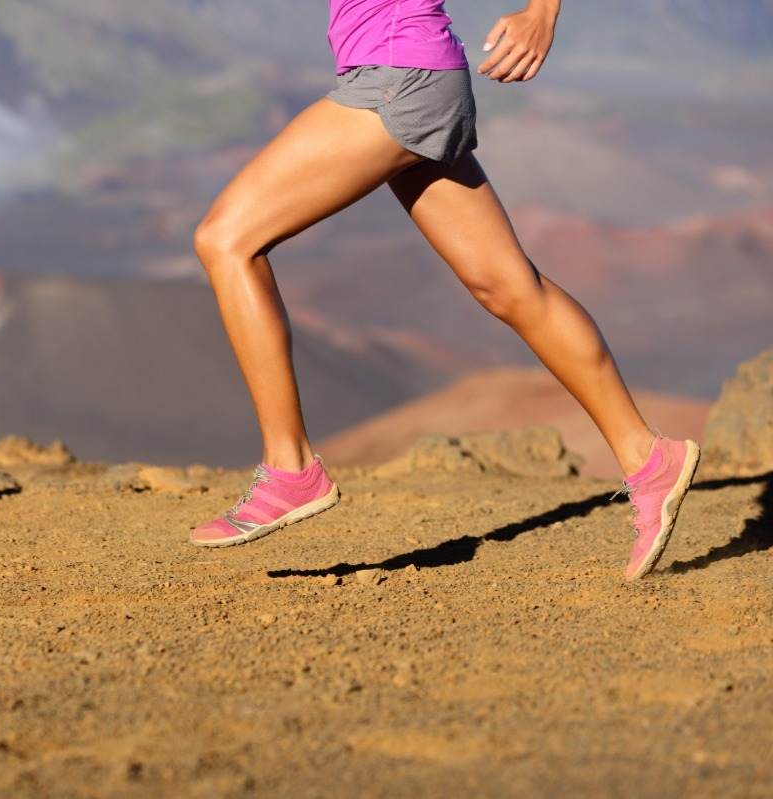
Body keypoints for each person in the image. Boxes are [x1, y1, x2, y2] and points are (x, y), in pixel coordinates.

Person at [188, 0, 700, 581]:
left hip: (397, 80)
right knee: (507, 287)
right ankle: (649, 458)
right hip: (411, 76)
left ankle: (290, 468)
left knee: (227, 239)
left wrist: (542, 13)